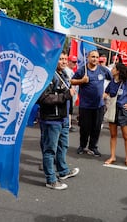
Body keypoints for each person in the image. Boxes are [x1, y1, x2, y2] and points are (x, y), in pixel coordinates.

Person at [37, 51, 79, 190]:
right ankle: (51, 179)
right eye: (60, 59)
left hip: (63, 118)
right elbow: (43, 98)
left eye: (65, 59)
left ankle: (63, 171)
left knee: (63, 146)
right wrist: (66, 96)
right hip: (51, 120)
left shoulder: (64, 74)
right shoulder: (47, 75)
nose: (64, 61)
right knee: (50, 150)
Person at [71, 50, 112, 157]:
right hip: (85, 106)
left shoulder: (103, 70)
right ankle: (82, 145)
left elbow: (113, 80)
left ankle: (93, 147)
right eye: (93, 57)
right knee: (85, 127)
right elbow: (72, 81)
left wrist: (106, 93)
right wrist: (82, 81)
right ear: (88, 58)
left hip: (99, 105)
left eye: (97, 57)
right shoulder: (82, 70)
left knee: (97, 127)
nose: (95, 59)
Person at [103, 62, 127, 166]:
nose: (112, 69)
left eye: (114, 68)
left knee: (126, 135)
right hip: (113, 110)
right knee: (113, 135)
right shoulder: (111, 82)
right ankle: (112, 156)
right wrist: (100, 98)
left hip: (123, 111)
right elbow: (106, 93)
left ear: (118, 71)